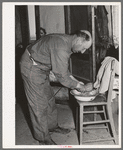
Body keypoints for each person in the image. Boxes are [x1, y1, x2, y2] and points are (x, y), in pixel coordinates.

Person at [19, 30, 92, 145]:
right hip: (31, 67)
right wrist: (80, 87)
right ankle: (43, 138)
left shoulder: (67, 41)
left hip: (41, 67)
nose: (83, 52)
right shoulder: (61, 47)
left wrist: (77, 82)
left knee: (49, 99)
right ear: (78, 40)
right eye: (84, 48)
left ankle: (52, 126)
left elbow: (63, 69)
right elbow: (62, 76)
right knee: (39, 104)